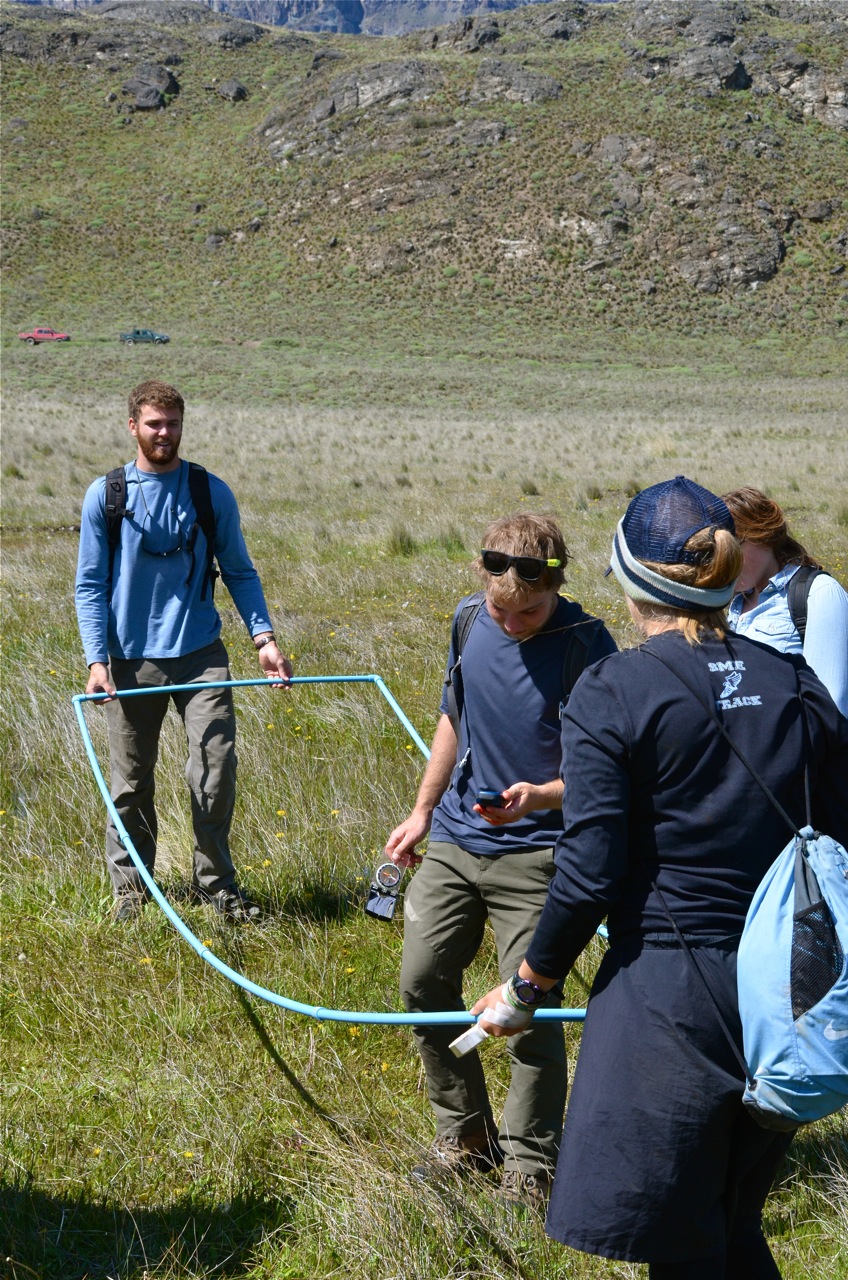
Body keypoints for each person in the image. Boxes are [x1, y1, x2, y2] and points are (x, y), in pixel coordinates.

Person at [472, 476, 848, 1278]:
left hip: (669, 999)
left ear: (630, 577)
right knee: (732, 1218)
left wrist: (527, 985)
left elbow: (588, 871)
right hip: (787, 992)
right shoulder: (796, 683)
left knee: (682, 1241)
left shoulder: (613, 691)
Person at [384, 513, 617, 1205]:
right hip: (456, 841)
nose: (514, 624)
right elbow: (452, 717)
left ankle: (531, 1166)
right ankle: (466, 1137)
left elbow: (605, 773)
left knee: (526, 1008)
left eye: (531, 612)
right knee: (422, 984)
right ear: (482, 588)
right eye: (502, 610)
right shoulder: (466, 622)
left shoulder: (587, 643)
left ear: (557, 587)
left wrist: (539, 797)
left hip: (538, 854)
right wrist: (423, 811)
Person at [75, 380, 292, 922]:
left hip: (201, 653)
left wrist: (263, 639)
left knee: (215, 773)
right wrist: (97, 661)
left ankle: (218, 888)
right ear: (132, 426)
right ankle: (131, 894)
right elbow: (90, 585)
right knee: (130, 783)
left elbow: (240, 571)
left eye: (172, 423)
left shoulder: (208, 492)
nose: (164, 433)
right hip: (129, 660)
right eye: (153, 424)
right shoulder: (107, 496)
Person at [724, 486, 848, 715]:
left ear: (763, 536)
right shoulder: (737, 602)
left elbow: (831, 711)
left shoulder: (820, 593)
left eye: (734, 547)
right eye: (719, 552)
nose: (725, 562)